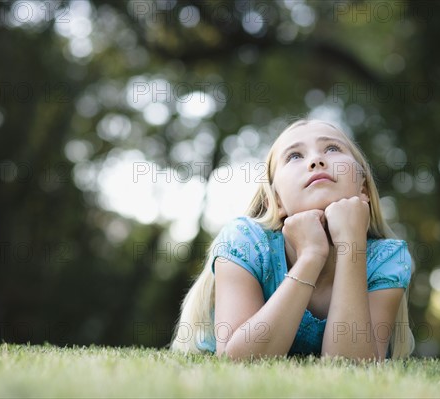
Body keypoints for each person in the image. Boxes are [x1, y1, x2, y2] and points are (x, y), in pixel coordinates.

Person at [171, 119, 414, 360]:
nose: (316, 161)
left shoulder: (386, 258)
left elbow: (354, 367)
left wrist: (352, 244)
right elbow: (238, 362)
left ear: (364, 189)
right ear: (275, 201)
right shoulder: (245, 241)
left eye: (332, 148)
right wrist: (310, 257)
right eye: (294, 156)